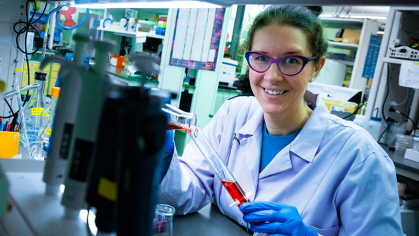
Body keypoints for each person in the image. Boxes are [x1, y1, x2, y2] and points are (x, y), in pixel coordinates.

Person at [159, 6, 403, 236]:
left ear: (316, 66)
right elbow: (186, 194)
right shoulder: (233, 114)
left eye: (291, 60)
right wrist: (162, 155)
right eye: (261, 58)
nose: (272, 76)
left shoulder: (360, 156)